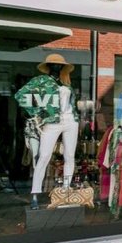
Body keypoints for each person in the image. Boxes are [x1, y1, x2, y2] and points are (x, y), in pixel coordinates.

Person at [16, 53, 79, 209]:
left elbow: (70, 104)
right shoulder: (40, 80)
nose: (57, 67)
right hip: (52, 122)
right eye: (54, 64)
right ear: (49, 66)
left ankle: (65, 191)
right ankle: (35, 194)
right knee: (44, 157)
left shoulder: (66, 83)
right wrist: (38, 112)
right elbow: (20, 95)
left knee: (70, 156)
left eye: (60, 65)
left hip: (70, 121)